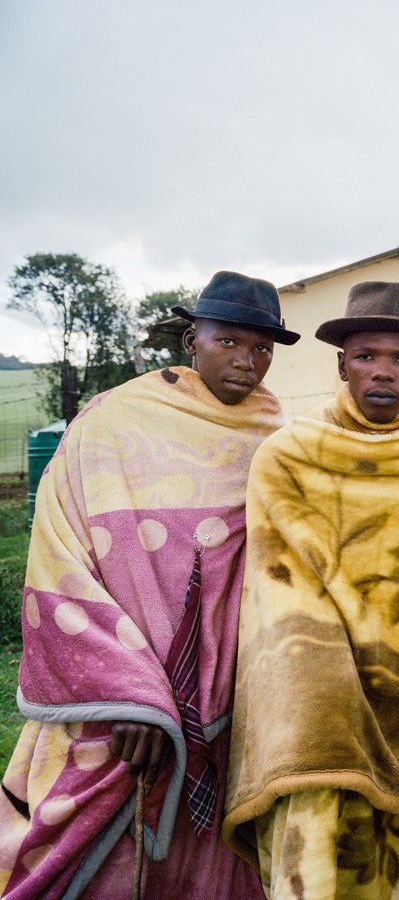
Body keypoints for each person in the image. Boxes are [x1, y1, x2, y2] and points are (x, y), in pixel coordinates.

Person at [0, 271, 298, 899]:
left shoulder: (277, 440)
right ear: (193, 340)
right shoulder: (112, 422)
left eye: (263, 349)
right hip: (116, 708)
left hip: (228, 706)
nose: (248, 362)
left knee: (216, 866)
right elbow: (60, 551)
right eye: (229, 342)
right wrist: (128, 693)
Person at [223, 281, 399, 900]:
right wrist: (325, 690)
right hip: (324, 693)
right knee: (325, 839)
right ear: (341, 363)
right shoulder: (288, 457)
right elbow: (283, 589)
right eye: (368, 356)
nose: (383, 372)